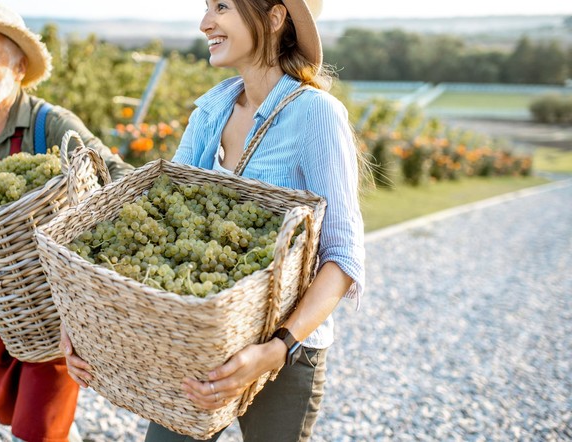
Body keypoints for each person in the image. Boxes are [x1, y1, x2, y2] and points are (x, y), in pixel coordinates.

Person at [61, 0, 365, 441]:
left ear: (275, 17)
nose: (205, 23)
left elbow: (342, 256)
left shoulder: (316, 114)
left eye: (221, 6)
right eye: (206, 7)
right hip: (197, 347)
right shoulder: (210, 110)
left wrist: (276, 349)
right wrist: (88, 324)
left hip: (286, 354)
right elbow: (160, 225)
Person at [0, 1, 132, 441]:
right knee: (13, 413)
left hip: (50, 307)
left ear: (17, 68)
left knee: (36, 429)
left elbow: (117, 175)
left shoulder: (48, 125)